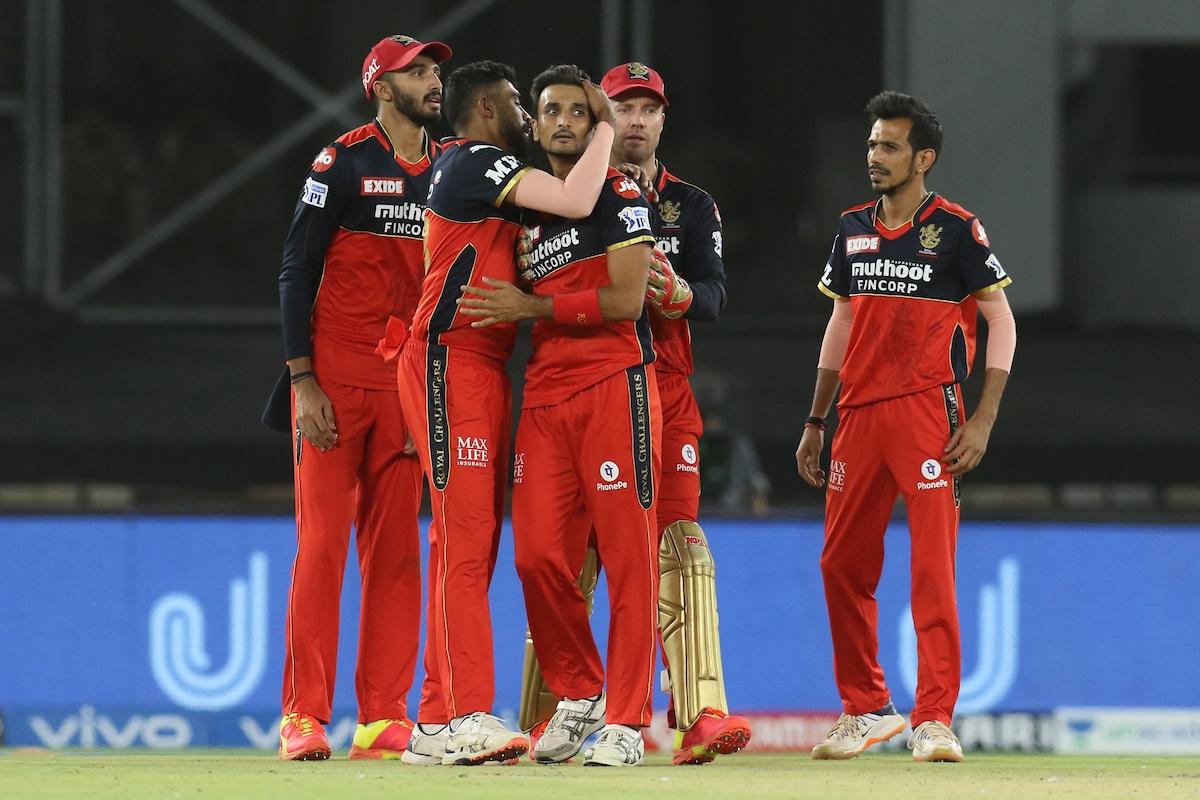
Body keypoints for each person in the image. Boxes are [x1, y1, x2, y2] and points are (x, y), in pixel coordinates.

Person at [386, 60, 620, 767]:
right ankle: (460, 711)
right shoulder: (475, 160)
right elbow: (579, 201)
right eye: (520, 102)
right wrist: (605, 126)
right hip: (447, 360)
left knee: (474, 542)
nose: (530, 114)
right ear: (488, 107)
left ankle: (433, 720)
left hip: (481, 367)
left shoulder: (487, 178)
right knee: (463, 539)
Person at [795, 90, 1017, 763]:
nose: (874, 157)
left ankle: (934, 720)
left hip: (928, 414)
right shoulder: (851, 228)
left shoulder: (956, 228)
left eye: (889, 146)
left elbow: (1001, 320)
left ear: (924, 157)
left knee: (931, 570)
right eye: (871, 145)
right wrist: (815, 418)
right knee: (841, 564)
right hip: (857, 417)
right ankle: (865, 709)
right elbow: (841, 324)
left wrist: (981, 417)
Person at [459, 64, 661, 767]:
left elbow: (629, 300)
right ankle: (580, 694)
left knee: (630, 559)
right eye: (551, 111)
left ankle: (630, 723)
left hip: (614, 382)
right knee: (537, 554)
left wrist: (532, 308)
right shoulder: (524, 207)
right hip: (545, 394)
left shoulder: (620, 191)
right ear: (536, 124)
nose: (565, 121)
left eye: (580, 111)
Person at [263, 34, 451, 761]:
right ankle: (304, 717)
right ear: (381, 86)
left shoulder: (449, 170)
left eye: (436, 70)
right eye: (417, 72)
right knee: (321, 549)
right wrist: (302, 380)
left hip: (406, 381)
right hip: (335, 383)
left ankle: (381, 717)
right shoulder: (341, 161)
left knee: (398, 555)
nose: (434, 81)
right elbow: (294, 272)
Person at [604, 61, 752, 765]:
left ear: (664, 120)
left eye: (648, 108)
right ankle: (555, 715)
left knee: (683, 546)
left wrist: (680, 292)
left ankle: (699, 714)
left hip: (668, 393)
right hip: (590, 391)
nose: (636, 119)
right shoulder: (568, 194)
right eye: (623, 107)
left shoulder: (691, 205)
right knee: (575, 559)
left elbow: (716, 297)